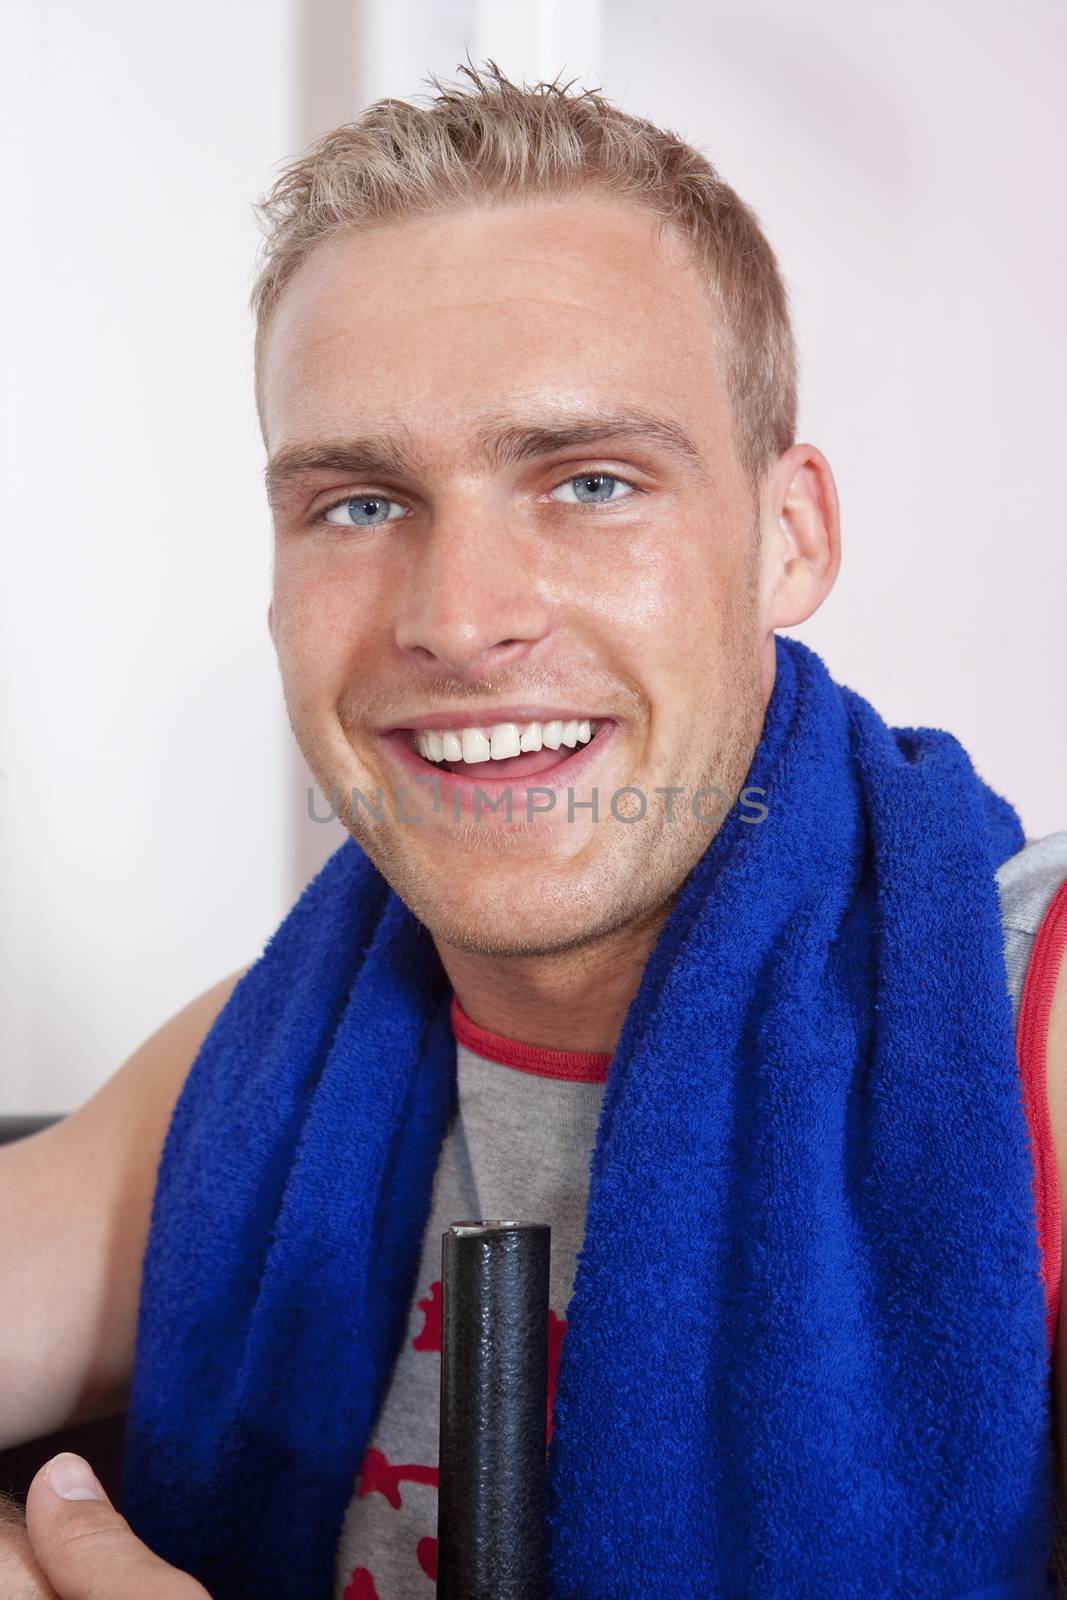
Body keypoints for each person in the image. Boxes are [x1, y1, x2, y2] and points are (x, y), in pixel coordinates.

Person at [2, 61, 1066, 1600]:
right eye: (360, 505)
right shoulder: (244, 1072)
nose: (459, 620)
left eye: (587, 481)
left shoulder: (1031, 1027)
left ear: (790, 536)